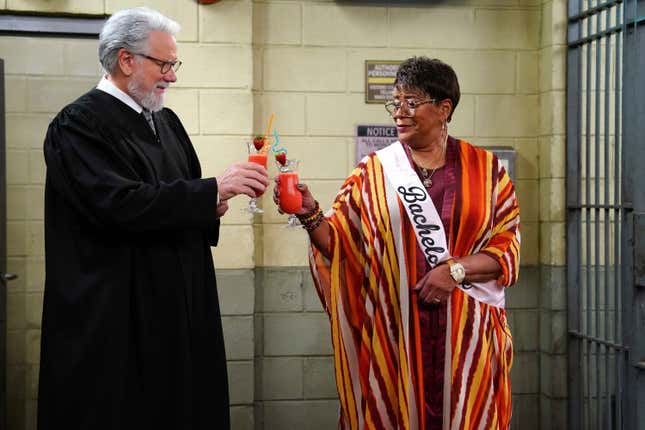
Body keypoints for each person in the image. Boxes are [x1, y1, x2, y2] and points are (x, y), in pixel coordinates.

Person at [38, 7, 268, 430]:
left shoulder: (166, 121)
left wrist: (208, 208)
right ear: (126, 60)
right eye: (165, 64)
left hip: (176, 309)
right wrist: (212, 189)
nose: (173, 76)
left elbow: (174, 196)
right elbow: (119, 204)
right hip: (119, 315)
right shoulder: (79, 124)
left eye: (173, 64)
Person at [274, 56, 520, 429]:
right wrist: (310, 215)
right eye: (395, 102)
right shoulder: (373, 172)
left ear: (443, 109)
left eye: (410, 102)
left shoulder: (487, 171)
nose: (399, 112)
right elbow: (341, 247)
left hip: (467, 338)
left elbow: (507, 249)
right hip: (393, 337)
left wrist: (454, 271)